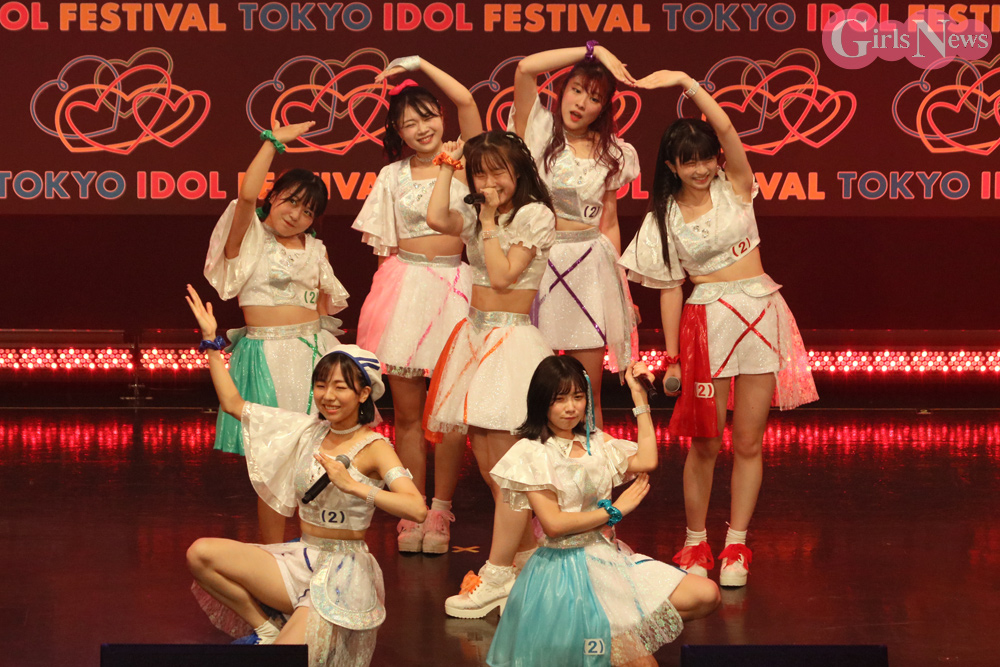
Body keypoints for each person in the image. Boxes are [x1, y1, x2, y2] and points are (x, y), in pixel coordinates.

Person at [619, 69, 818, 587]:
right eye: (689, 161)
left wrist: (687, 82)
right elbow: (669, 289)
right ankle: (695, 541)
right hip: (707, 324)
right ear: (671, 165)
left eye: (707, 158)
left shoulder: (736, 187)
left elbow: (727, 128)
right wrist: (673, 358)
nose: (701, 168)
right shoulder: (662, 219)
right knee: (705, 443)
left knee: (749, 442)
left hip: (761, 316)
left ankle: (736, 544)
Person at [183, 285, 426, 666]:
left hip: (343, 572)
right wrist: (211, 342)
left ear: (364, 394)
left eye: (340, 387)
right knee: (200, 554)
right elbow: (233, 404)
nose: (328, 395)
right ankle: (266, 628)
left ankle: (295, 629)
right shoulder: (307, 429)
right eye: (322, 385)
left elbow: (417, 509)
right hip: (301, 558)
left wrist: (354, 486)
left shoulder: (375, 447)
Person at [486, 355, 720, 666]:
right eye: (560, 399)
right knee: (642, 665)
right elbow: (554, 524)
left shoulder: (596, 442)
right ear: (542, 402)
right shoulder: (533, 452)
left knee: (706, 594)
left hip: (609, 561)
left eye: (578, 397)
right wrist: (614, 511)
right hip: (566, 576)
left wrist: (639, 399)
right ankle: (610, 643)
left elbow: (647, 460)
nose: (571, 407)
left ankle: (619, 640)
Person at [422, 131, 556, 617]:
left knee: (508, 473)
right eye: (480, 173)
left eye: (498, 170)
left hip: (510, 343)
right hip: (476, 339)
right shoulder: (484, 214)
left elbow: (501, 276)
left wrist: (489, 220)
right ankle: (525, 564)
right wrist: (446, 166)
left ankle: (502, 573)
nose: (489, 181)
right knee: (488, 468)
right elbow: (436, 218)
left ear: (519, 170)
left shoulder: (534, 216)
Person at [352, 56, 482, 554]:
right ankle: (411, 507)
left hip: (455, 289)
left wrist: (423, 64)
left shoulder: (468, 161)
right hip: (403, 290)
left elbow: (467, 100)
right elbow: (382, 249)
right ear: (398, 133)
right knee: (407, 414)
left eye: (427, 116)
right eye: (409, 123)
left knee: (449, 414)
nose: (421, 128)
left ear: (441, 118)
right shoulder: (392, 176)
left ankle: (441, 509)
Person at [204, 121, 349, 543]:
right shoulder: (250, 236)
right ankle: (272, 556)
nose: (296, 215)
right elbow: (247, 195)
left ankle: (316, 548)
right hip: (266, 358)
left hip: (313, 356)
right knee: (273, 462)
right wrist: (272, 144)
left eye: (308, 211)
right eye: (291, 201)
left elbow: (322, 305)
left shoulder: (315, 248)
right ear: (275, 196)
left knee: (318, 458)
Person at [510, 42, 642, 428]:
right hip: (539, 263)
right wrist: (593, 50)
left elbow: (609, 223)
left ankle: (590, 462)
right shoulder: (537, 132)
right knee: (535, 389)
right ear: (562, 91)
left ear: (604, 108)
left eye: (594, 98)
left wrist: (621, 290)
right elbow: (525, 67)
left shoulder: (613, 152)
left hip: (590, 269)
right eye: (576, 90)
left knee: (587, 392)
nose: (582, 103)